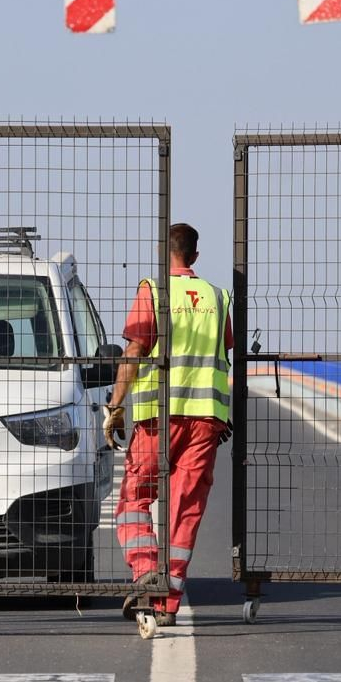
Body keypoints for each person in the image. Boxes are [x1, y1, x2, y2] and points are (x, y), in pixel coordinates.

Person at [102, 222, 232, 627]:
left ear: (163, 253)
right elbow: (226, 356)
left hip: (158, 417)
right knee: (185, 509)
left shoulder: (154, 291)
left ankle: (145, 576)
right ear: (194, 256)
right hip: (205, 420)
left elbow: (136, 350)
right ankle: (167, 602)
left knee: (134, 500)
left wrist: (115, 406)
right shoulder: (217, 297)